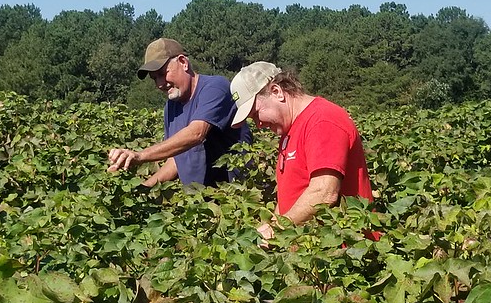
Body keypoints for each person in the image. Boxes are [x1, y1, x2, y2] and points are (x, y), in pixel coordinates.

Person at [230, 61, 373, 240]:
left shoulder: (322, 121)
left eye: (256, 113)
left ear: (277, 92)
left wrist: (277, 229)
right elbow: (290, 195)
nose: (259, 124)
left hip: (343, 255)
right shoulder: (290, 130)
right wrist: (272, 225)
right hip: (311, 253)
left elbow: (324, 193)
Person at [108, 38, 251, 186]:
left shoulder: (215, 87)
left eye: (163, 74)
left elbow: (196, 134)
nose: (160, 84)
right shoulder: (171, 107)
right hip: (198, 203)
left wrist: (140, 156)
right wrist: (144, 189)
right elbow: (176, 159)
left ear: (183, 62)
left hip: (233, 197)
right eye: (154, 78)